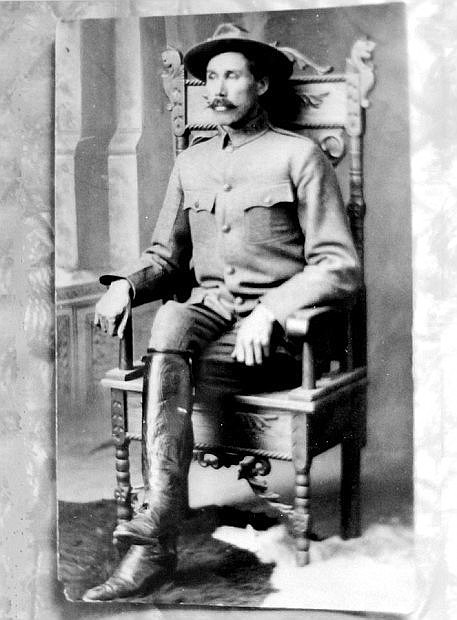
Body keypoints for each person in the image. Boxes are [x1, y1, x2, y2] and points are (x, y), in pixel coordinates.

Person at [83, 23, 361, 602]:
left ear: (260, 84)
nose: (216, 89)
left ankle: (152, 541)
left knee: (169, 350)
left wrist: (273, 310)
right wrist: (126, 287)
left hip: (277, 343)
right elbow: (166, 257)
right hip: (207, 327)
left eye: (231, 75)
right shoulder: (192, 163)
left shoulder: (299, 155)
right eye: (209, 77)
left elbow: (338, 265)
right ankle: (159, 530)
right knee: (170, 318)